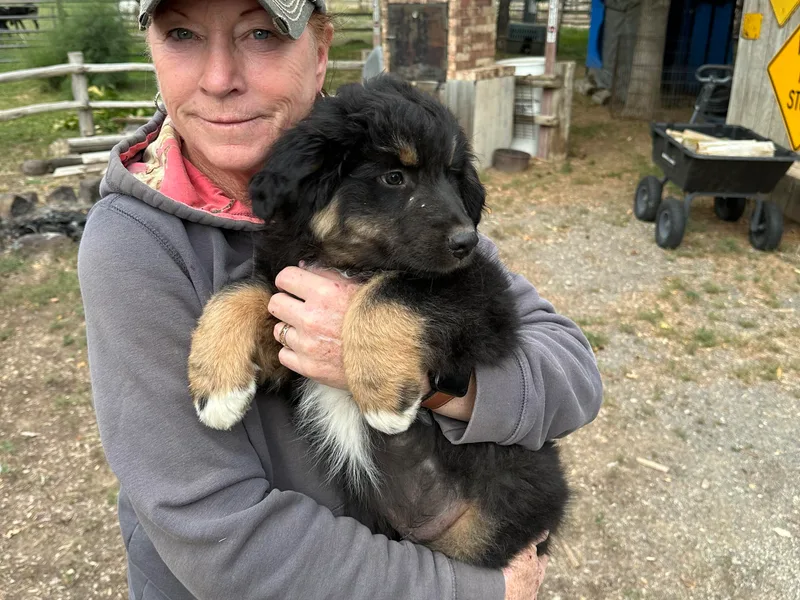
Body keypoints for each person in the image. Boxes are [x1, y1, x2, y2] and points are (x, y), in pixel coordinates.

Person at [76, 0, 604, 598]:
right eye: (182, 35)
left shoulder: (388, 158)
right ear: (152, 49)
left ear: (321, 50)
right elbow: (214, 531)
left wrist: (434, 379)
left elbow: (573, 378)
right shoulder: (133, 245)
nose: (220, 78)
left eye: (261, 33)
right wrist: (477, 593)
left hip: (467, 524)